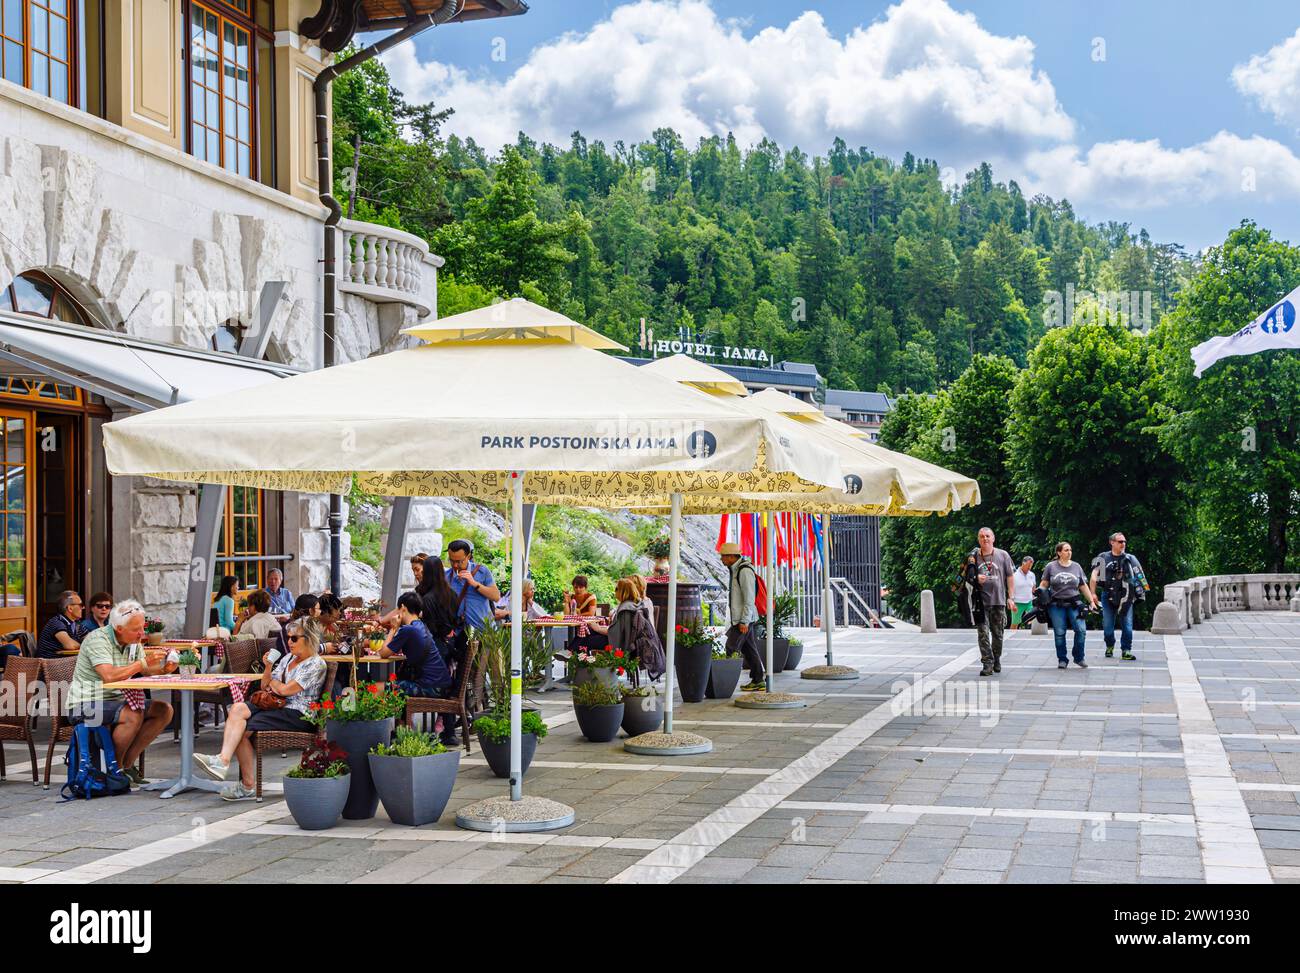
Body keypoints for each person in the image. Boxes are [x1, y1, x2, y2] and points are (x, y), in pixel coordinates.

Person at [194, 618, 328, 801]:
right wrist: (268, 667)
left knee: (243, 727)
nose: (289, 642)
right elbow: (265, 684)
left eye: (294, 639)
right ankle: (222, 760)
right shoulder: (289, 658)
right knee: (237, 709)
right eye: (288, 638)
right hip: (276, 705)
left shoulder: (316, 664)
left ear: (309, 639)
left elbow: (285, 690)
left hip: (299, 714)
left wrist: (275, 684)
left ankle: (247, 785)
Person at [66, 599, 176, 786]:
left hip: (117, 700)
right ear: (118, 629)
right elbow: (109, 676)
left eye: (142, 627)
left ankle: (126, 765)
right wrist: (142, 663)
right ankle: (113, 770)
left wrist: (165, 668)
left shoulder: (133, 640)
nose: (142, 634)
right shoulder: (98, 639)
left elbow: (146, 670)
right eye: (136, 629)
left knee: (164, 710)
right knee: (133, 714)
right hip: (84, 703)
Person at [1090, 531, 1148, 661]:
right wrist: (1092, 593)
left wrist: (1141, 592)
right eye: (1120, 541)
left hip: (1126, 596)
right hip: (1107, 594)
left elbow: (1140, 576)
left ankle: (1126, 650)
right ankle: (1110, 645)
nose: (1123, 544)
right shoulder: (1103, 557)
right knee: (1108, 626)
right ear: (1112, 542)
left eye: (1124, 542)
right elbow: (1094, 575)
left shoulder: (1130, 558)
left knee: (1127, 624)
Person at [1041, 542, 1099, 669]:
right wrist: (1039, 596)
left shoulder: (1076, 567)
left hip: (1074, 603)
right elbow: (1044, 584)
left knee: (1081, 630)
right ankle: (1062, 659)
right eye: (1066, 550)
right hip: (1056, 604)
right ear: (1059, 552)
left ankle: (1079, 657)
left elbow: (1083, 586)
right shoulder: (1051, 567)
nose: (1069, 552)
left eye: (1070, 550)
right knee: (1060, 632)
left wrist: (1091, 602)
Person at [969, 527, 1016, 677]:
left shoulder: (1003, 555)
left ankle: (996, 659)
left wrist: (1011, 597)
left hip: (998, 601)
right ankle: (987, 663)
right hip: (980, 602)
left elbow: (1010, 576)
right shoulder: (973, 557)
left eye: (988, 536)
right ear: (978, 539)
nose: (985, 539)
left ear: (993, 538)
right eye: (982, 536)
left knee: (998, 634)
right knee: (983, 633)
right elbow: (966, 576)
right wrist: (976, 578)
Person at [719, 542, 765, 692]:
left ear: (732, 557)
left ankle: (725, 683)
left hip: (743, 620)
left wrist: (744, 621)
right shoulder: (735, 569)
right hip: (742, 619)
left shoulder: (743, 571)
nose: (722, 559)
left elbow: (749, 598)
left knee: (730, 648)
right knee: (750, 649)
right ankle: (758, 679)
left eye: (724, 556)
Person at [446, 539, 500, 635]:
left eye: (459, 561)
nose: (455, 565)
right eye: (451, 561)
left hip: (484, 632)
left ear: (468, 557)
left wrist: (474, 583)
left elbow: (496, 597)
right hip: (458, 634)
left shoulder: (482, 571)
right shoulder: (446, 576)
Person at [415, 556, 458, 663]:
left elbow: (431, 627)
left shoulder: (427, 598)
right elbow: (456, 617)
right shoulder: (452, 594)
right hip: (450, 644)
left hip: (434, 646)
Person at [37, 590, 86, 658]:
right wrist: (86, 644)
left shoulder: (76, 623)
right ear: (70, 608)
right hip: (51, 665)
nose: (83, 608)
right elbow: (70, 645)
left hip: (64, 663)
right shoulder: (57, 622)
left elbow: (90, 639)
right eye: (80, 605)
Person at [1010, 557, 1037, 630]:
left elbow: (1033, 589)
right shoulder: (1014, 574)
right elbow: (1010, 589)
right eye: (1028, 565)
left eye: (1031, 565)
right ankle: (1012, 638)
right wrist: (1011, 601)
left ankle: (1029, 635)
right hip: (1017, 603)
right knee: (1015, 624)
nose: (1030, 567)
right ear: (1023, 563)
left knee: (1033, 620)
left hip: (1029, 602)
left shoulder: (1032, 574)